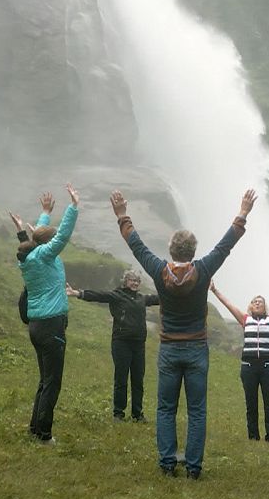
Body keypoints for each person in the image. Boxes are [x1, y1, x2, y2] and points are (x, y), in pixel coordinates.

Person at [109, 187, 258, 479]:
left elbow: (136, 246)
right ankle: (193, 466)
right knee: (197, 410)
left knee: (165, 408)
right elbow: (225, 245)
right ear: (192, 251)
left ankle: (167, 463)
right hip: (196, 349)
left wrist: (122, 215)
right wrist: (242, 212)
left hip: (168, 349)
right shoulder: (203, 270)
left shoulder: (158, 270)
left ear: (170, 249)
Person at [8, 184, 80, 444]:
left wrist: (44, 213)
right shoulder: (46, 256)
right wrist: (73, 207)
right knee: (52, 382)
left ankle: (34, 428)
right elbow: (59, 237)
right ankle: (44, 435)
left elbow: (37, 237)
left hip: (37, 325)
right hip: (51, 327)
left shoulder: (28, 258)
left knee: (45, 380)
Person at [209, 282, 269, 442]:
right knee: (251, 404)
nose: (257, 303)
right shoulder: (245, 319)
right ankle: (253, 436)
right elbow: (228, 304)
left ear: (265, 307)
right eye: (254, 302)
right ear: (250, 307)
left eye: (260, 301)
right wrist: (214, 290)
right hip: (248, 368)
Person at [65, 270, 160, 423]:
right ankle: (118, 414)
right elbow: (98, 295)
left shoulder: (142, 298)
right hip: (121, 343)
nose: (135, 283)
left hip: (138, 344)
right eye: (132, 280)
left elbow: (160, 299)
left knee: (138, 380)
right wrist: (77, 293)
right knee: (121, 379)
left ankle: (137, 414)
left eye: (137, 281)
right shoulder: (117, 295)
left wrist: (179, 293)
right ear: (125, 281)